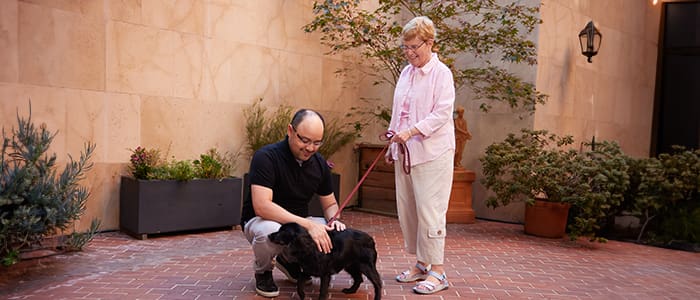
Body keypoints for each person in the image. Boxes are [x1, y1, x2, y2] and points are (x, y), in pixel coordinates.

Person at [240, 109, 347, 298]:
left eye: (316, 143)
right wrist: (307, 224)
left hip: (297, 223)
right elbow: (262, 206)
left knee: (329, 231)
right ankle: (263, 271)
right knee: (270, 230)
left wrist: (334, 220)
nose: (310, 148)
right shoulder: (266, 157)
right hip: (261, 220)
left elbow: (330, 204)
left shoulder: (319, 164)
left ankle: (288, 260)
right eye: (304, 141)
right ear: (290, 130)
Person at [386, 16, 455, 295]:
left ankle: (438, 271)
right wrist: (394, 144)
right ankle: (421, 264)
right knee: (410, 211)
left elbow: (441, 114)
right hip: (406, 153)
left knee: (431, 212)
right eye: (405, 47)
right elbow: (397, 112)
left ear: (429, 43)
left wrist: (413, 131)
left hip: (432, 153)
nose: (410, 52)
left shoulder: (442, 74)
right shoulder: (406, 72)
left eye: (415, 46)